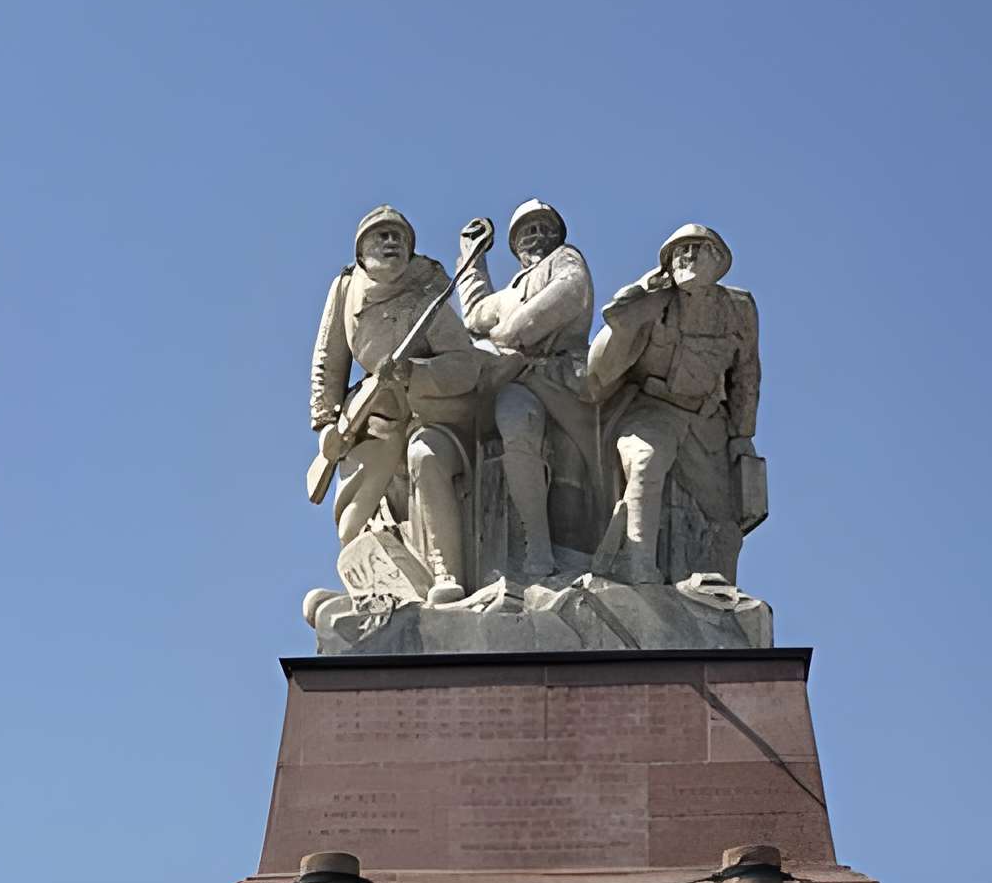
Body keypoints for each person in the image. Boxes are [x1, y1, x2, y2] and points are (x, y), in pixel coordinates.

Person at [310, 206, 486, 602]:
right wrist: (325, 424)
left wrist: (412, 373)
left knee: (426, 456)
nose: (391, 242)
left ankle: (445, 571)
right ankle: (372, 590)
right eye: (381, 235)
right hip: (371, 413)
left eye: (399, 236)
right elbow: (328, 360)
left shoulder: (427, 293)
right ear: (361, 251)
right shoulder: (345, 288)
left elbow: (465, 366)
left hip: (430, 412)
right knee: (351, 526)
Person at [586, 224, 762, 585]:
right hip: (653, 409)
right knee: (645, 463)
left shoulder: (739, 308)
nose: (688, 257)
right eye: (680, 251)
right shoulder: (653, 302)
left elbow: (746, 375)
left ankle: (720, 589)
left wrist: (742, 435)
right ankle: (638, 567)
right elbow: (609, 340)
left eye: (698, 248)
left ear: (718, 259)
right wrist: (643, 292)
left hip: (706, 420)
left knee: (724, 513)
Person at [458, 197, 600, 579]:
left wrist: (507, 335)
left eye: (543, 228)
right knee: (513, 419)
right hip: (521, 381)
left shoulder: (566, 260)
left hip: (564, 379)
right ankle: (536, 543)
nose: (536, 236)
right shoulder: (508, 294)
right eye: (527, 232)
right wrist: (471, 259)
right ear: (515, 246)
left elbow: (568, 294)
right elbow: (474, 315)